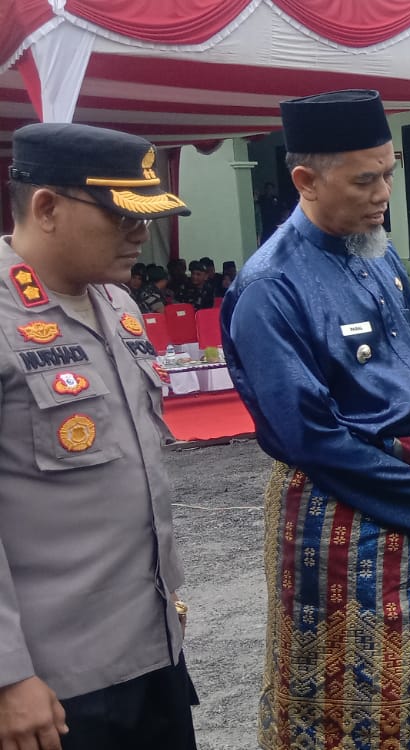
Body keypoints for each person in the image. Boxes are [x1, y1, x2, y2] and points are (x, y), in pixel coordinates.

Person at [220, 89, 410, 750]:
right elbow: (309, 436)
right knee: (339, 707)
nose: (383, 193)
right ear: (306, 180)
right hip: (337, 514)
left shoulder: (376, 251)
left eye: (388, 173)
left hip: (408, 498)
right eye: (364, 180)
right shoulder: (271, 287)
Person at [0, 122, 197, 749]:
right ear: (46, 207)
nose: (140, 233)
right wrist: (8, 676)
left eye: (147, 217)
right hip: (53, 679)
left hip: (151, 649)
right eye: (121, 215)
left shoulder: (118, 305)